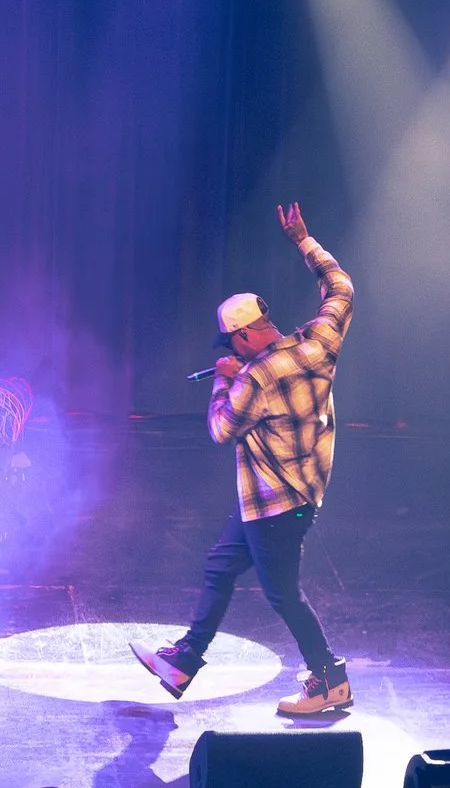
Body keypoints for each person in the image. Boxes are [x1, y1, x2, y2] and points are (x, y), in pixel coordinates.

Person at [132, 200, 354, 715]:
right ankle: (185, 659)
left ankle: (330, 679)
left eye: (232, 342)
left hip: (276, 505)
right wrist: (304, 240)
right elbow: (341, 288)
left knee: (283, 595)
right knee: (220, 567)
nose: (231, 350)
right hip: (292, 495)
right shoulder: (319, 342)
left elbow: (221, 429)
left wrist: (224, 381)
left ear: (246, 334)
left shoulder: (255, 377)